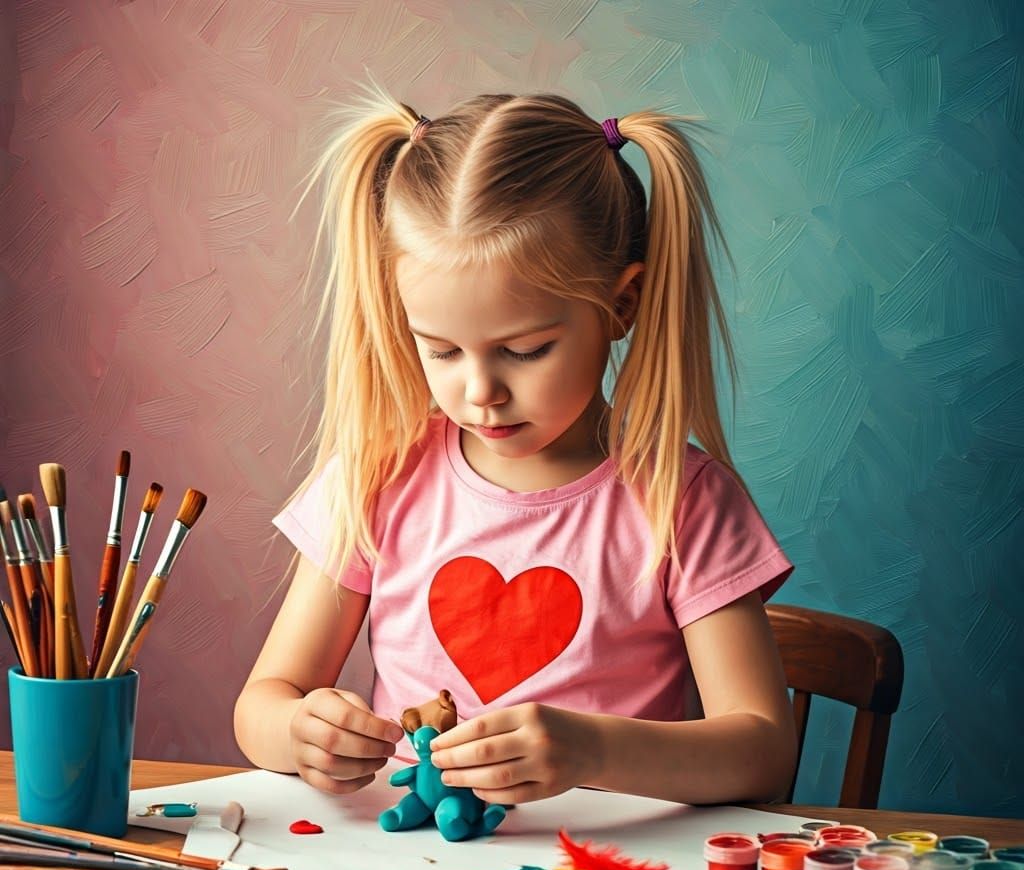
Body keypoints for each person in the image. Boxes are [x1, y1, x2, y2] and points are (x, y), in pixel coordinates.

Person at [234, 83, 798, 808]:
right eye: (441, 350)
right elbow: (263, 703)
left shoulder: (684, 502)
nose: (481, 392)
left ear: (621, 305)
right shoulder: (378, 477)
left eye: (524, 350)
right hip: (417, 859)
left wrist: (592, 750)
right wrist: (299, 731)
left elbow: (762, 754)